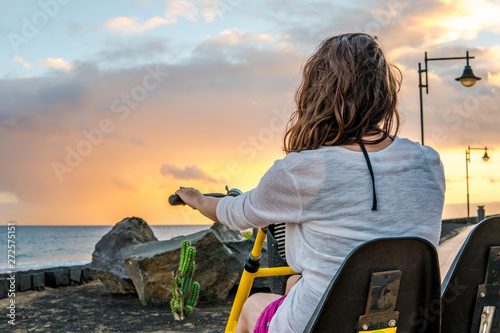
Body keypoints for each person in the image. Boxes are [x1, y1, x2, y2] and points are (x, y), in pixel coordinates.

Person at [175, 33, 445, 333]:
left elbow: (235, 214)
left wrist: (199, 200)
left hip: (323, 325)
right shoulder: (429, 162)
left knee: (252, 306)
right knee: (294, 283)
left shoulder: (301, 169)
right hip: (403, 322)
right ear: (384, 92)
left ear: (318, 93)